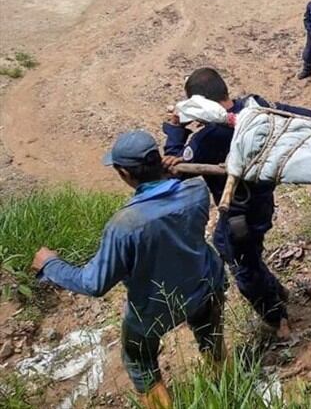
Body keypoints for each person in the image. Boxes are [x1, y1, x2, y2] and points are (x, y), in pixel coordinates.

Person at [31, 130, 226, 409]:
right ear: (159, 161)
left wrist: (51, 264)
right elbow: (178, 187)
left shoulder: (125, 224)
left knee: (141, 363)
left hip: (153, 310)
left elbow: (94, 284)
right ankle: (226, 391)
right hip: (204, 286)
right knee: (211, 340)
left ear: (124, 173)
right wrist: (172, 170)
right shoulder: (195, 191)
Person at [163, 68, 311, 340]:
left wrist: (175, 131)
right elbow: (299, 115)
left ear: (200, 103)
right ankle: (275, 289)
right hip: (262, 204)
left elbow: (176, 167)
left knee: (242, 266)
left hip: (240, 216)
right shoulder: (256, 107)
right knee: (243, 250)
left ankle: (276, 317)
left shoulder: (207, 139)